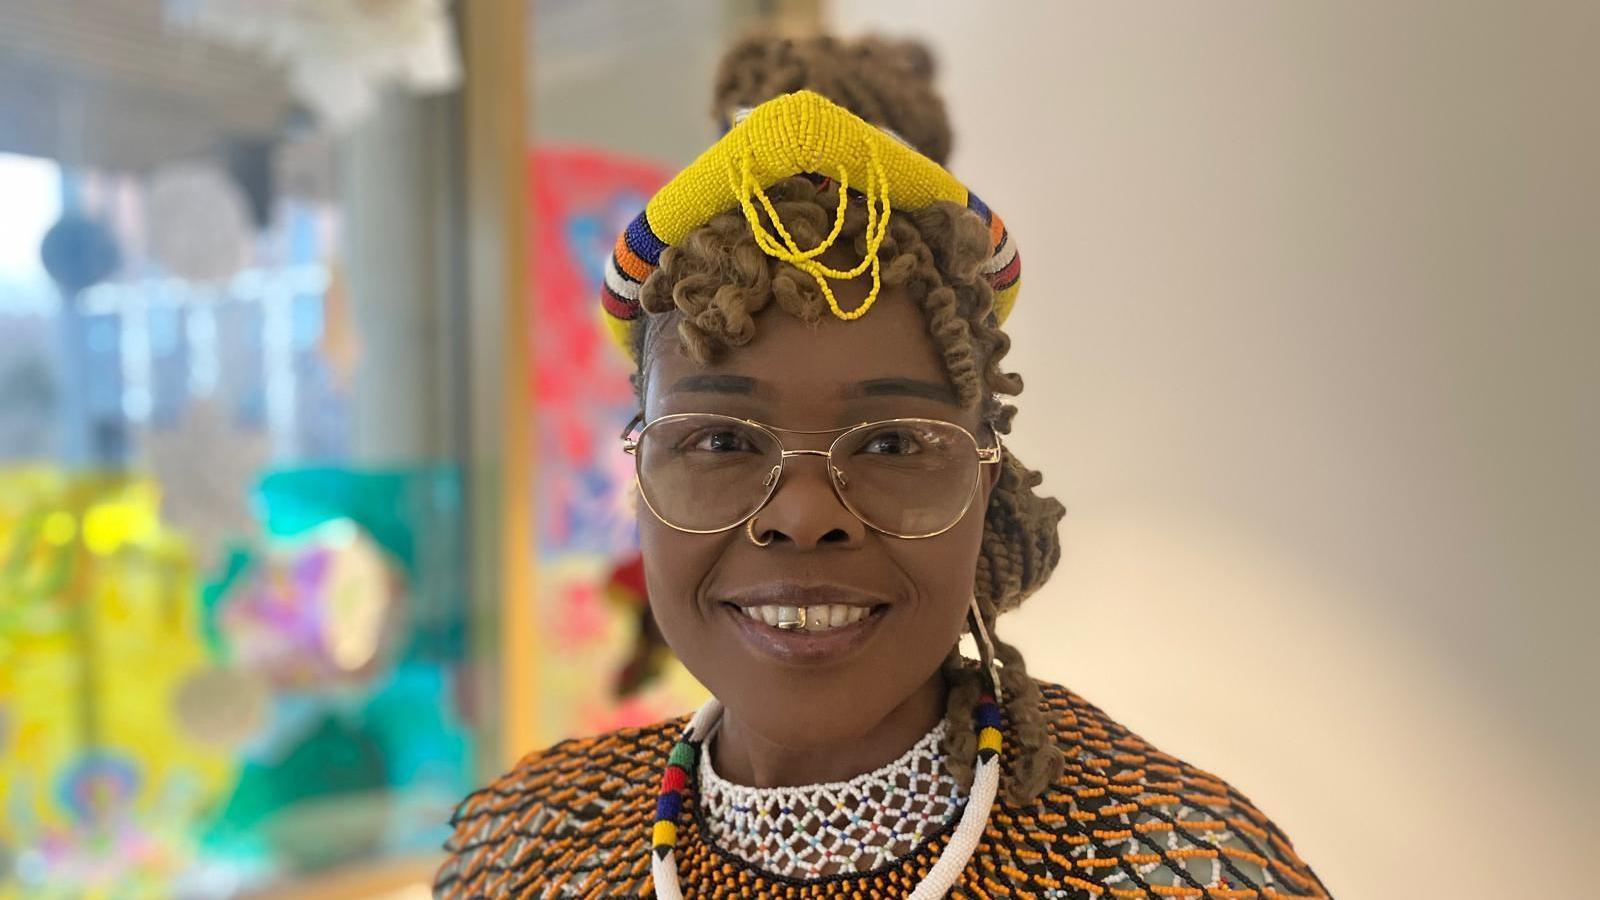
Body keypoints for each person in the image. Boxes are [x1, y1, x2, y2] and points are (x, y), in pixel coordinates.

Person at [434, 34, 1330, 899]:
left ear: (985, 484)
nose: (803, 515)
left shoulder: (1182, 868)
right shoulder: (526, 850)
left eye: (893, 442)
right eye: (720, 439)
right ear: (640, 475)